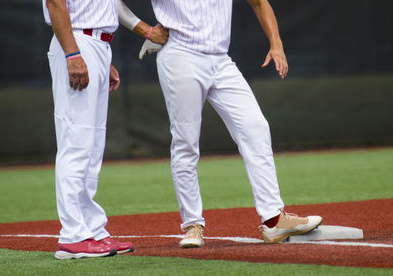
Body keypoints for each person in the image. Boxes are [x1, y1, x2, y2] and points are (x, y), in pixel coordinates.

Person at [115, 0, 322, 247]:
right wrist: (144, 29)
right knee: (186, 142)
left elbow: (258, 3)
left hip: (220, 59)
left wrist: (276, 44)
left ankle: (274, 220)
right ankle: (192, 225)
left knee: (255, 128)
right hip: (181, 55)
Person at [42, 0, 165, 259]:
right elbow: (55, 3)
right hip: (77, 42)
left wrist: (100, 60)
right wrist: (73, 53)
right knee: (76, 142)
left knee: (92, 146)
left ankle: (92, 229)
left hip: (96, 44)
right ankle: (73, 236)